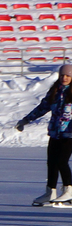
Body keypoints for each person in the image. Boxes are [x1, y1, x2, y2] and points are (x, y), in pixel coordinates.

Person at [16, 61, 72, 206]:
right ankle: (50, 192)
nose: (64, 78)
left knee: (62, 161)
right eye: (62, 75)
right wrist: (26, 120)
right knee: (52, 162)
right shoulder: (55, 91)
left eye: (68, 75)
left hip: (69, 134)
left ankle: (69, 191)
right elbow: (42, 108)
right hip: (55, 133)